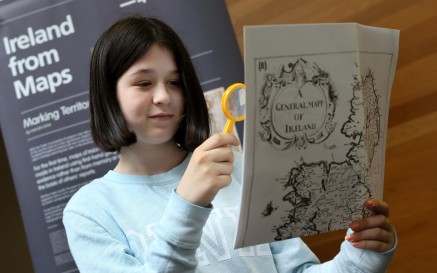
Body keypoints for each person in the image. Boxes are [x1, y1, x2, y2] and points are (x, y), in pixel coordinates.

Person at [63, 16, 397, 273]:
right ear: (109, 94)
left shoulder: (236, 167)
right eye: (144, 82)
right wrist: (187, 203)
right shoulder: (89, 211)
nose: (163, 96)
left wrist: (362, 254)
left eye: (175, 81)